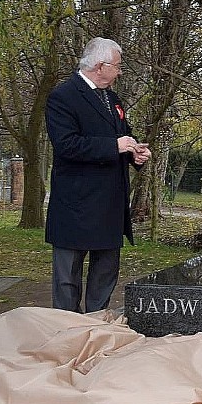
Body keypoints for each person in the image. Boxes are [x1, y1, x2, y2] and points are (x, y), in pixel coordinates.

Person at [45, 37, 151, 312]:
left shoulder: (111, 98)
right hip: (75, 204)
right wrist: (115, 146)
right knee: (68, 279)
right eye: (117, 66)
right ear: (100, 66)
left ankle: (97, 328)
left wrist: (134, 153)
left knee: (105, 273)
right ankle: (67, 333)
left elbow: (123, 135)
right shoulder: (63, 96)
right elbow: (66, 145)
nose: (119, 71)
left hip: (109, 204)